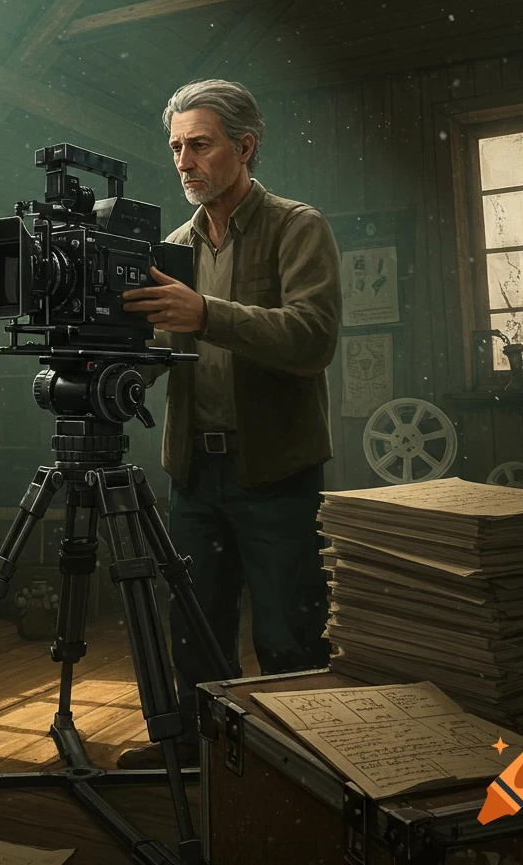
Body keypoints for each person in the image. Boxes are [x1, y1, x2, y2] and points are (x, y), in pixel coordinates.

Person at [117, 79, 342, 768]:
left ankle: (299, 773)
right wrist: (120, 365)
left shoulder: (297, 226)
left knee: (288, 636)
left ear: (244, 146)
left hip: (275, 473)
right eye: (177, 147)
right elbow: (162, 347)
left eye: (200, 145)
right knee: (194, 630)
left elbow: (311, 338)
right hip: (194, 474)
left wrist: (207, 314)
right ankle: (193, 753)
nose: (185, 161)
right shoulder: (172, 246)